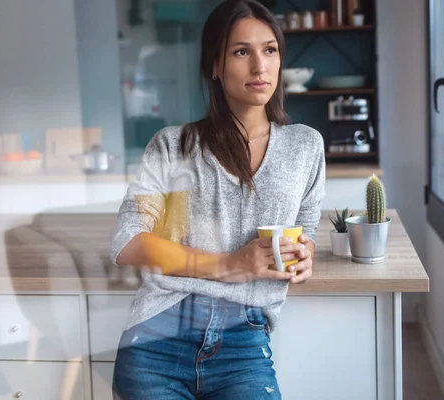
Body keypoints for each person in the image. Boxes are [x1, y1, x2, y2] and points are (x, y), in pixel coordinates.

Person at [110, 0, 325, 398]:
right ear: (214, 65)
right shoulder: (172, 146)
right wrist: (231, 264)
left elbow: (305, 230)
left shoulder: (306, 146)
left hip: (244, 344)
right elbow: (127, 243)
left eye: (270, 49)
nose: (260, 66)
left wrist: (303, 254)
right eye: (241, 51)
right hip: (158, 336)